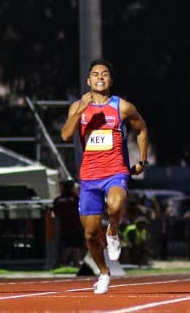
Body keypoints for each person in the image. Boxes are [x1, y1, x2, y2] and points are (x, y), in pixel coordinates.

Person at [60, 59, 150, 295]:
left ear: (110, 80)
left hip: (116, 172)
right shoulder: (77, 107)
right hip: (89, 178)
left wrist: (141, 160)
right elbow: (66, 136)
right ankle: (103, 272)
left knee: (116, 203)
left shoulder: (122, 107)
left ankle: (112, 230)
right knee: (89, 234)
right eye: (95, 74)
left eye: (105, 74)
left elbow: (141, 129)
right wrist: (79, 111)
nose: (100, 77)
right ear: (88, 80)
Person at [52, 180, 84, 266]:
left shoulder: (57, 200)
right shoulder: (76, 199)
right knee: (74, 246)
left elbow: (56, 213)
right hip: (76, 225)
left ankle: (66, 263)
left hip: (63, 226)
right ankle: (73, 263)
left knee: (67, 245)